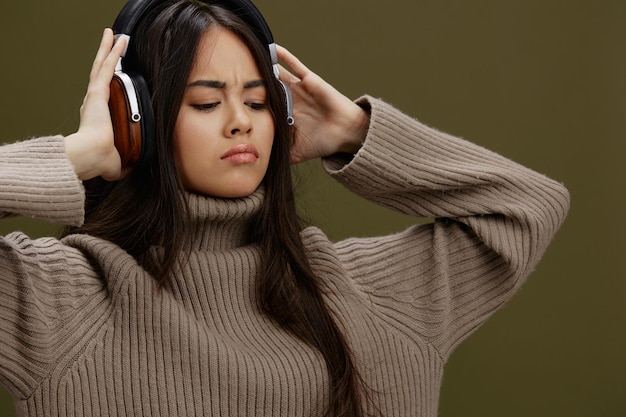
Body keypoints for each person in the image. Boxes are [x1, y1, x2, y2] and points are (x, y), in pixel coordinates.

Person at [0, 1, 570, 416]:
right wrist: (83, 153)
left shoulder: (373, 292)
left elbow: (525, 205)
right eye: (205, 102)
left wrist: (355, 132)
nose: (241, 120)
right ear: (137, 121)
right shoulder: (59, 302)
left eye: (257, 100)